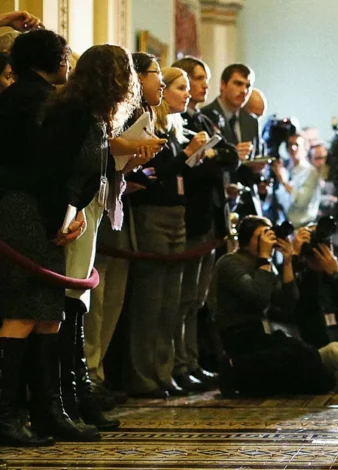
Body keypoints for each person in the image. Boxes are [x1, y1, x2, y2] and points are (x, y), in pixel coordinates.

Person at [0, 29, 100, 446]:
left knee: (46, 313)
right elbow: (49, 165)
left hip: (28, 206)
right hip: (29, 209)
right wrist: (65, 213)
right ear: (53, 59)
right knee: (25, 311)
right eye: (64, 55)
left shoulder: (17, 97)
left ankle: (47, 410)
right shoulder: (42, 101)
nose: (68, 63)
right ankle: (10, 416)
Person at [85, 52, 166, 410]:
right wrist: (134, 149)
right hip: (96, 211)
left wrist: (137, 159)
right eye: (156, 73)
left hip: (116, 209)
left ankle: (97, 372)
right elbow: (103, 149)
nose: (161, 83)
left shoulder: (138, 113)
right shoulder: (101, 112)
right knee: (96, 302)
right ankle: (89, 373)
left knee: (112, 302)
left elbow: (117, 163)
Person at [124, 67, 209, 399]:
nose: (187, 93)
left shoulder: (175, 128)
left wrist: (191, 156)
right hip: (153, 213)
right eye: (180, 87)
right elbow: (152, 174)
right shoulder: (148, 125)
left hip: (177, 213)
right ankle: (142, 373)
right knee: (151, 298)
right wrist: (186, 155)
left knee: (171, 301)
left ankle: (164, 370)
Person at [211, 216, 338, 397]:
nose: (268, 241)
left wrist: (288, 262)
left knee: (310, 355)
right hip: (242, 337)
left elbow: (286, 301)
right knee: (305, 355)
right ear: (245, 242)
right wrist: (291, 260)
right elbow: (261, 298)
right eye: (262, 236)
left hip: (265, 337)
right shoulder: (231, 262)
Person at [170, 56, 240, 391]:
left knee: (197, 300)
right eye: (196, 79)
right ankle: (179, 364)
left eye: (204, 79)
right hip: (191, 215)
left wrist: (210, 155)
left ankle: (191, 361)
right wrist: (210, 158)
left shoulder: (204, 119)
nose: (202, 85)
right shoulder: (178, 120)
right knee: (183, 299)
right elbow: (191, 167)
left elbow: (231, 156)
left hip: (212, 216)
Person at [201, 64, 259, 163]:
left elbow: (256, 155)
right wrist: (232, 155)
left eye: (248, 86)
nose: (244, 91)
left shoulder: (251, 121)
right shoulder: (205, 116)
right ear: (223, 85)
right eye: (238, 84)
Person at [272, 133, 322, 227]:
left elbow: (301, 201)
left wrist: (284, 182)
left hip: (304, 226)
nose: (293, 148)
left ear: (305, 149)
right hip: (287, 225)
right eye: (290, 145)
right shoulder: (286, 170)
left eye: (297, 145)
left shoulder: (310, 172)